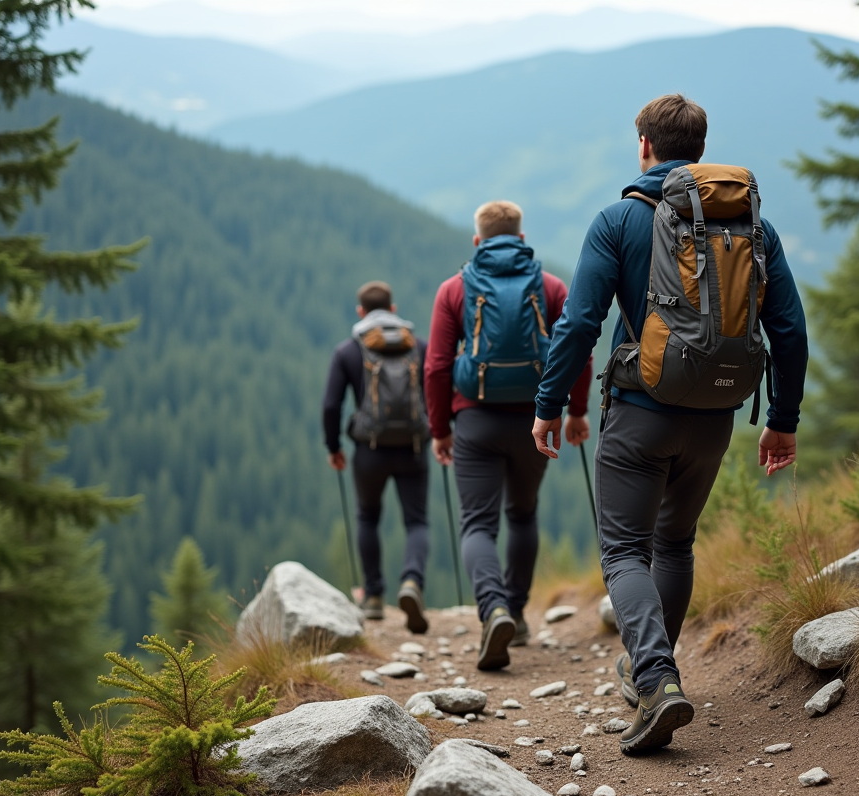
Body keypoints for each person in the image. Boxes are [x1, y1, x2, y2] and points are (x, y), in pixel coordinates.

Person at [531, 94, 808, 754]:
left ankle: (655, 680)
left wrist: (547, 404)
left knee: (626, 550)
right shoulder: (752, 227)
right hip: (715, 416)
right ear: (700, 152)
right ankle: (648, 673)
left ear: (645, 147)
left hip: (639, 415)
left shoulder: (619, 219)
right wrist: (782, 419)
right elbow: (790, 329)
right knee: (675, 543)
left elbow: (580, 323)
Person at [425, 200, 593, 671]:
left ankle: (492, 609)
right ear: (521, 238)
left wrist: (440, 429)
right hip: (535, 420)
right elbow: (577, 350)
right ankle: (516, 614)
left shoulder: (454, 289)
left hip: (474, 420)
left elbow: (437, 366)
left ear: (478, 241)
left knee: (478, 523)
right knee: (523, 514)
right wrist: (575, 412)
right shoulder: (550, 285)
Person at [323, 280, 431, 634]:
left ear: (360, 312)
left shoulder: (348, 351)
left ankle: (372, 598)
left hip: (368, 451)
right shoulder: (418, 347)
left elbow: (331, 405)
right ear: (393, 309)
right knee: (416, 521)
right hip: (414, 448)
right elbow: (435, 392)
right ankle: (412, 582)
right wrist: (440, 433)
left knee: (367, 517)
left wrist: (334, 447)